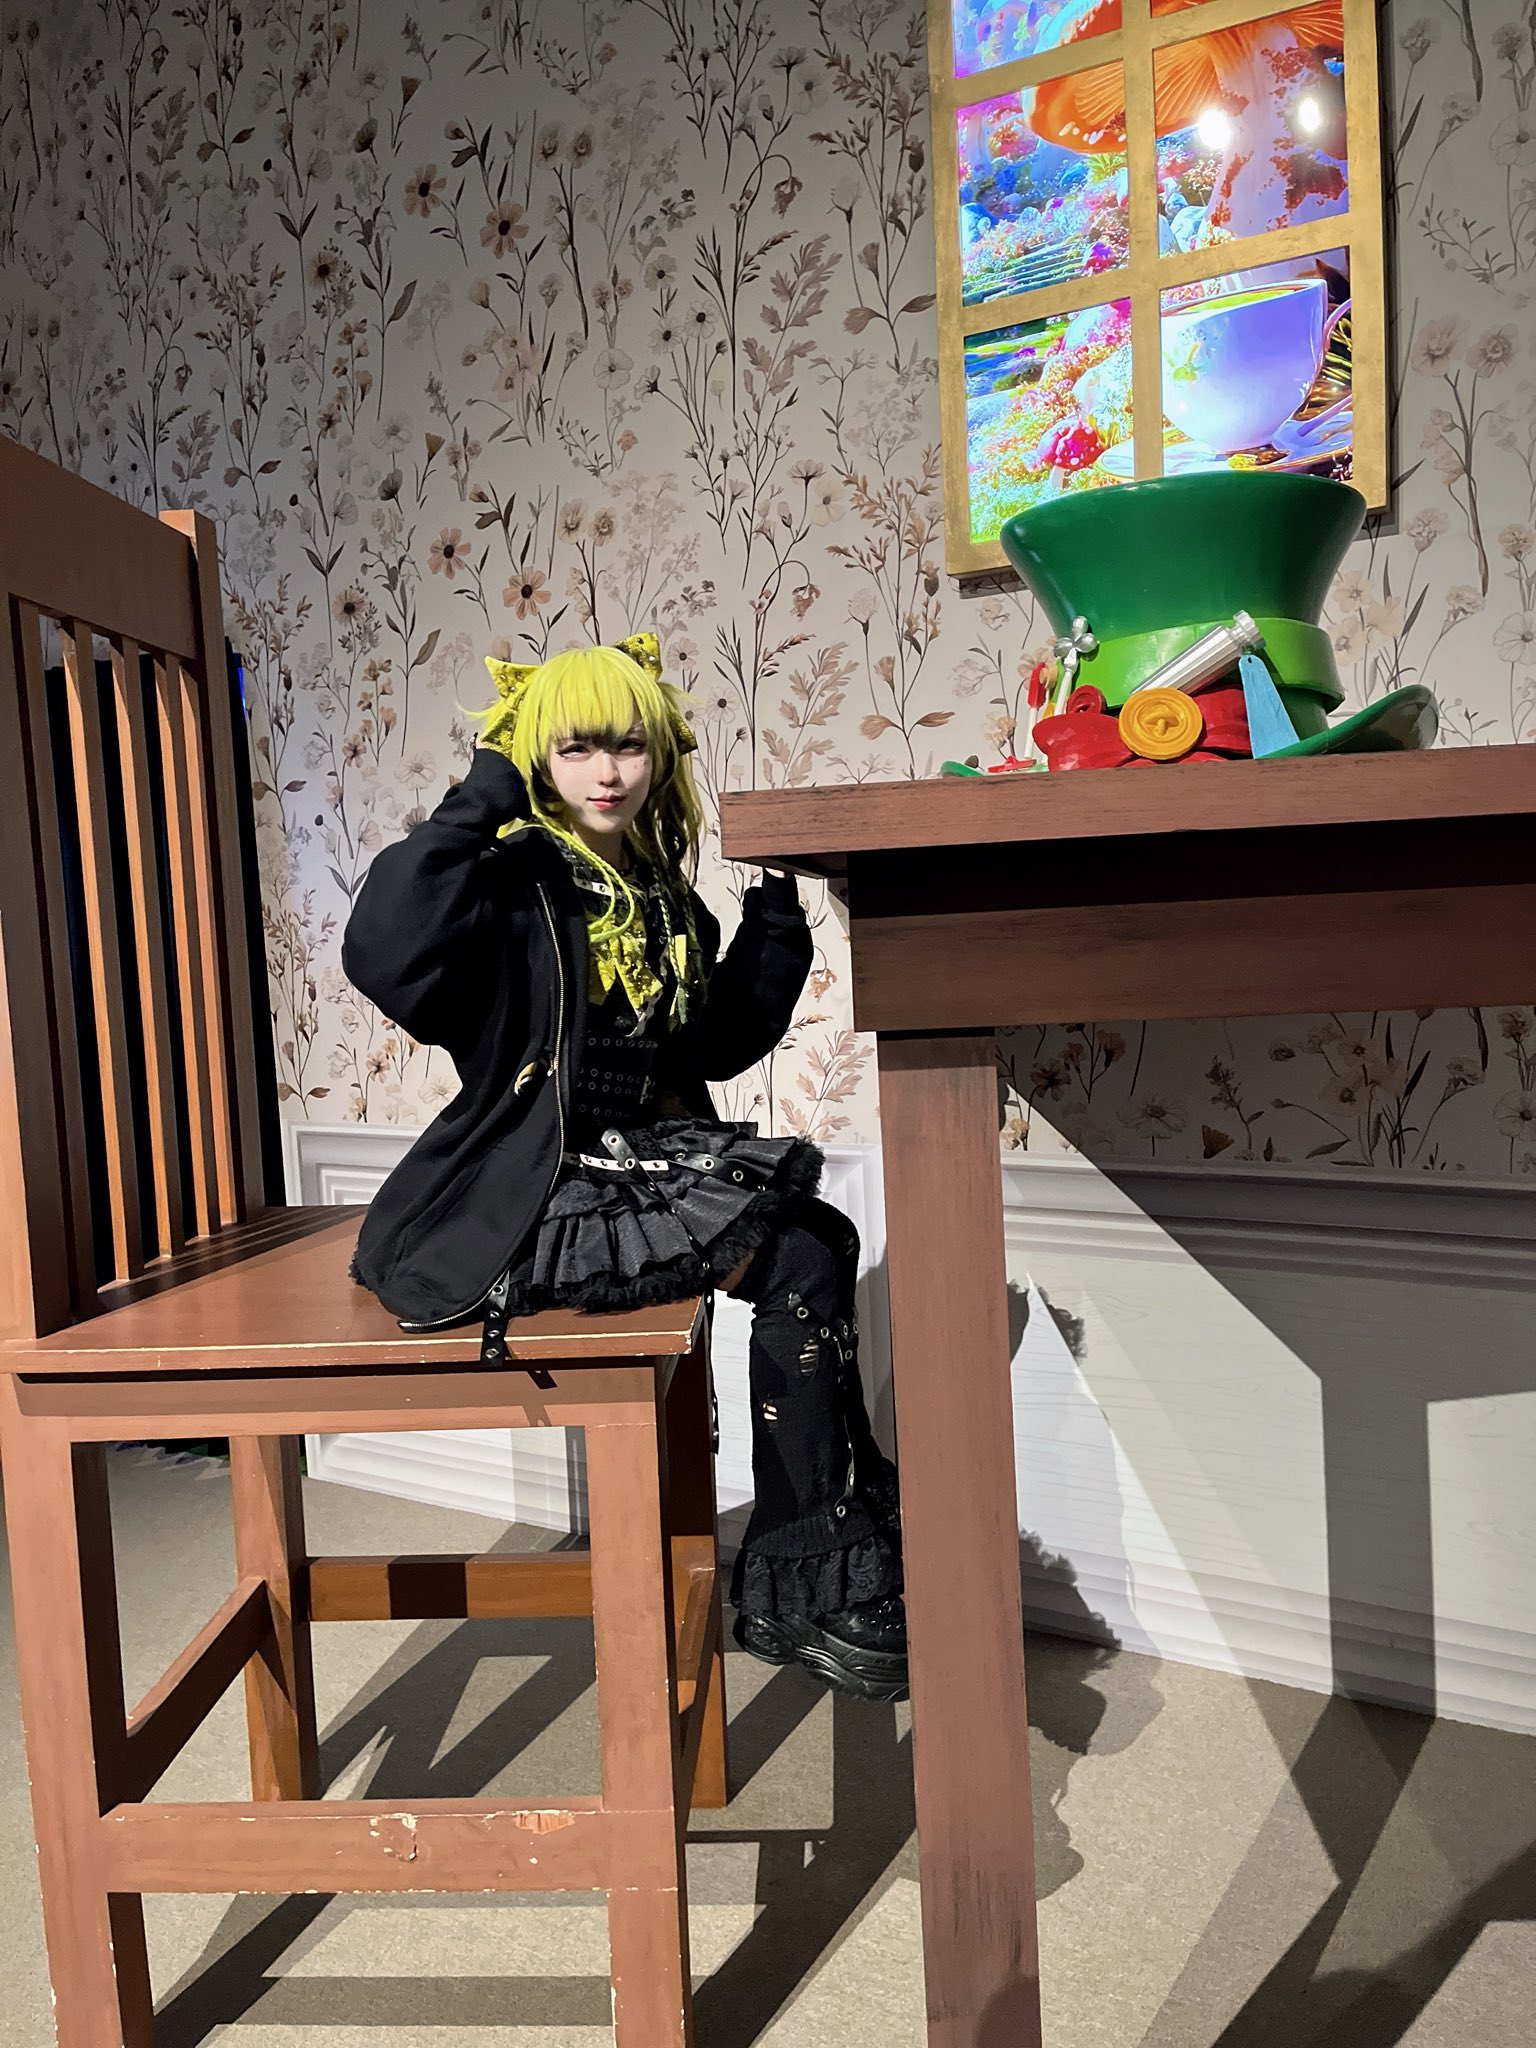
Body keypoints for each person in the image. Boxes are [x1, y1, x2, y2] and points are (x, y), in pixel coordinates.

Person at [342, 632, 906, 1702]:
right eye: (576, 748)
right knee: (799, 1257)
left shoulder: (654, 892)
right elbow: (382, 947)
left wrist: (774, 916)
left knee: (820, 1236)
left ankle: (813, 1548)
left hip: (645, 1153)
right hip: (539, 1176)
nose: (608, 772)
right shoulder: (510, 881)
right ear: (534, 757)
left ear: (662, 754)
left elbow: (715, 1046)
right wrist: (486, 790)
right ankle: (806, 1578)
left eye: (629, 747)